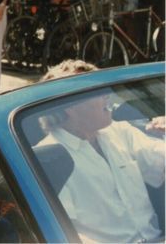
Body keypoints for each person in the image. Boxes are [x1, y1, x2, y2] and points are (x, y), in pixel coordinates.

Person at [39, 60, 165, 242]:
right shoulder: (49, 157)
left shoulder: (120, 131)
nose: (106, 94)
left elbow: (161, 166)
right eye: (95, 91)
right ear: (70, 106)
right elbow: (63, 232)